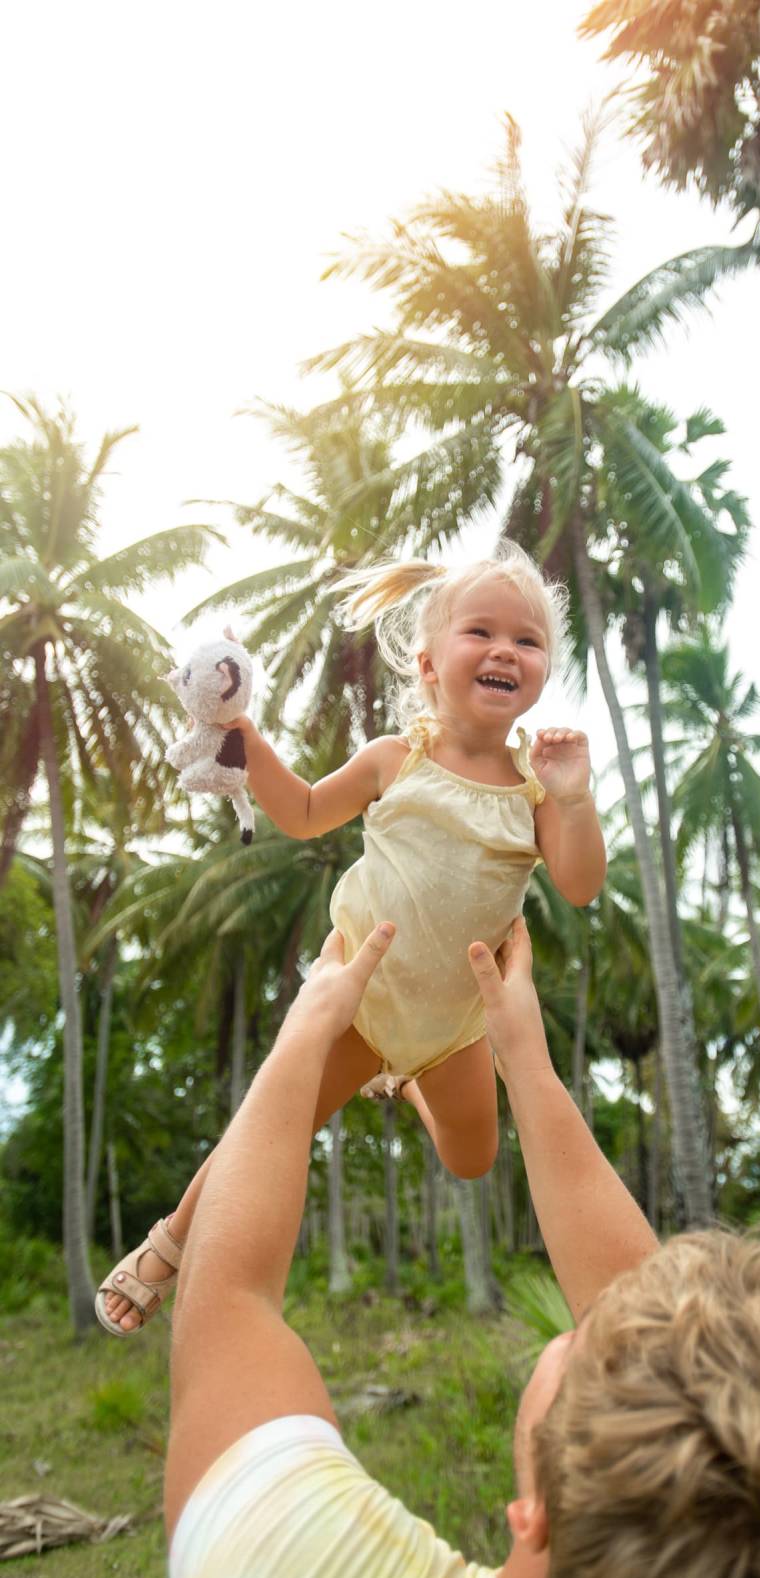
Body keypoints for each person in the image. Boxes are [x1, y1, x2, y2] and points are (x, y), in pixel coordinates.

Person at [164, 916, 760, 1578]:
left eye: (588, 1355)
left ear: (536, 1519)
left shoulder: (288, 1571)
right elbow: (640, 1301)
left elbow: (226, 1301)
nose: (598, 1323)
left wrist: (308, 1028)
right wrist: (526, 1061)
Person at [97, 541, 607, 1336]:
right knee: (275, 1123)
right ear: (429, 664)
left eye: (528, 640)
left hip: (454, 1025)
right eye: (481, 632)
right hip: (359, 1002)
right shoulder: (394, 760)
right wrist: (245, 738)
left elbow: (579, 885)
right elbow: (303, 813)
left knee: (472, 1157)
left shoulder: (537, 793)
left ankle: (403, 1082)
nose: (506, 649)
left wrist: (574, 800)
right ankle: (168, 1240)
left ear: (541, 671)